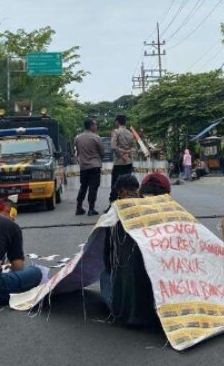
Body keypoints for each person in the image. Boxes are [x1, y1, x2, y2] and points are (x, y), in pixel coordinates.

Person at [100, 174, 159, 326]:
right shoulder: (115, 215)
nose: (133, 193)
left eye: (135, 189)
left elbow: (108, 253)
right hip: (138, 269)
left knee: (106, 276)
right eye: (130, 190)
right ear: (121, 192)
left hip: (127, 270)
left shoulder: (112, 214)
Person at [75, 119, 104, 216]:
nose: (96, 126)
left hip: (83, 167)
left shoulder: (78, 138)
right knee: (93, 188)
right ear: (91, 126)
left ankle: (79, 208)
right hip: (94, 166)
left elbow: (78, 152)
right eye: (95, 125)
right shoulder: (96, 137)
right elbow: (102, 152)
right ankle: (91, 209)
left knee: (83, 187)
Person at [108, 115, 137, 206]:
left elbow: (113, 146)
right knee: (128, 183)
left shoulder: (115, 132)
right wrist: (127, 154)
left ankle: (112, 205)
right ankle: (128, 204)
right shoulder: (130, 133)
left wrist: (121, 154)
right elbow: (134, 147)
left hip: (119, 162)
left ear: (117, 122)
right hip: (128, 162)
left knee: (115, 183)